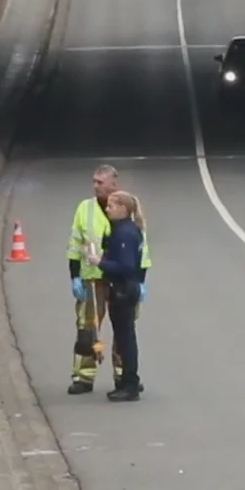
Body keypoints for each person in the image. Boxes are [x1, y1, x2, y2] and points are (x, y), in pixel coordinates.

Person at [66, 164, 151, 395]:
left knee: (123, 329)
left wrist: (141, 280)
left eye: (100, 183)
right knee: (88, 327)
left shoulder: (127, 210)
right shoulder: (85, 209)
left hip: (120, 281)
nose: (95, 187)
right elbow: (75, 245)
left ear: (114, 184)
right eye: (93, 182)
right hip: (92, 279)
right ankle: (84, 376)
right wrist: (75, 276)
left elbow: (141, 251)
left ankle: (123, 374)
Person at [94, 190, 147, 402]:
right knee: (125, 338)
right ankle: (127, 380)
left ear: (123, 209)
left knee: (126, 339)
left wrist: (100, 262)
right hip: (123, 289)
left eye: (111, 206)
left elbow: (125, 266)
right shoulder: (123, 230)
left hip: (123, 290)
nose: (107, 210)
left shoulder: (125, 233)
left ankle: (130, 383)